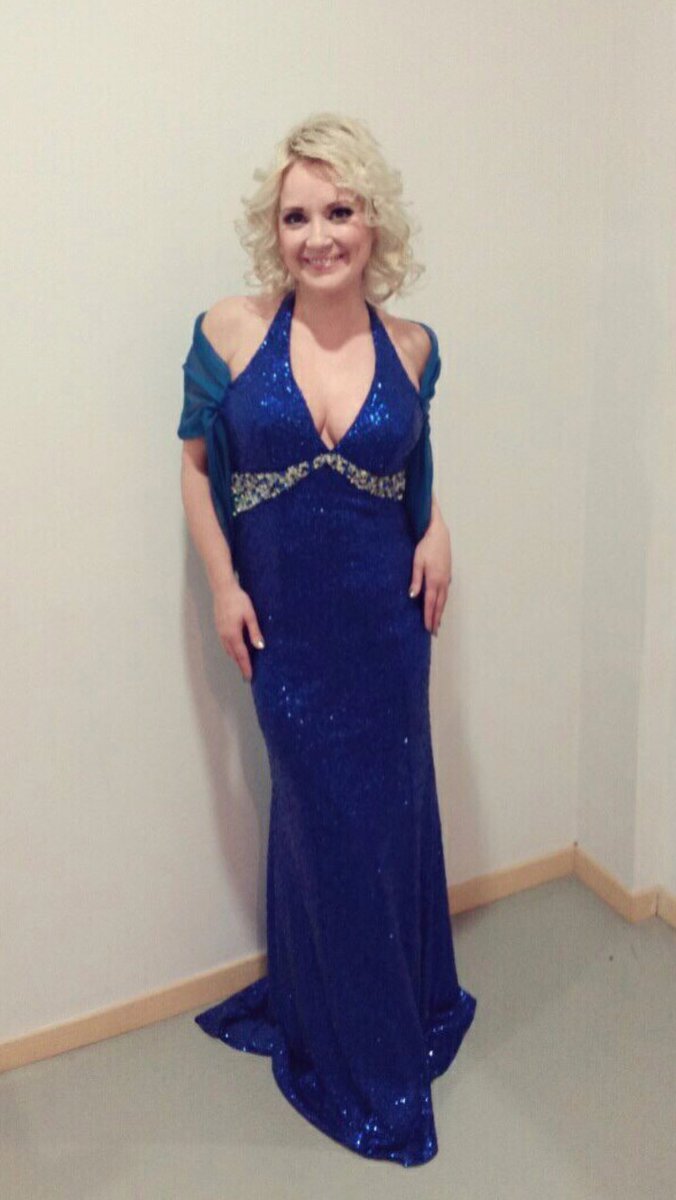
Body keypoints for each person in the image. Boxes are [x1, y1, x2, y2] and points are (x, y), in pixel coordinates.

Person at [177, 112, 476, 1167]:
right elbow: (197, 470)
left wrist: (436, 528)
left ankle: (395, 1006)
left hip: (387, 624)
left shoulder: (413, 345)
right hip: (287, 630)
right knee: (323, 824)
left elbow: (414, 464)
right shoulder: (228, 331)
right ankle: (344, 1038)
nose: (318, 236)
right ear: (274, 231)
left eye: (338, 211)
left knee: (388, 818)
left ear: (372, 219)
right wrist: (223, 586)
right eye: (296, 216)